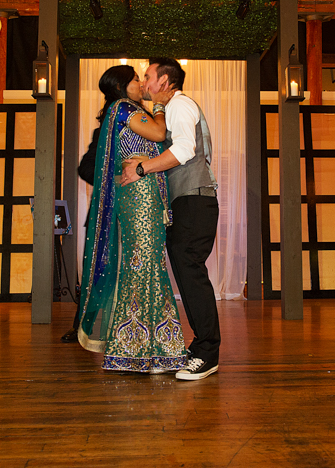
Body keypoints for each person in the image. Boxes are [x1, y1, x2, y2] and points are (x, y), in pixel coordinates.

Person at [77, 65, 186, 374]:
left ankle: (146, 347)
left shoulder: (121, 111)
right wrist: (161, 107)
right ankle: (140, 346)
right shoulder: (125, 108)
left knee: (145, 263)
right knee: (144, 264)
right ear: (123, 85)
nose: (141, 83)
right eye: (137, 79)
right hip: (140, 193)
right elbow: (159, 133)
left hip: (143, 192)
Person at [120, 58, 221, 381]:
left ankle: (208, 352)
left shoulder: (179, 105)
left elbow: (184, 150)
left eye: (148, 76)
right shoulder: (172, 108)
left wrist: (141, 169)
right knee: (188, 272)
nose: (145, 83)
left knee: (191, 273)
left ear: (164, 81)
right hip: (189, 201)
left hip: (196, 200)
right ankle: (201, 346)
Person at [60, 125, 100, 344]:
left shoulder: (149, 126)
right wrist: (115, 178)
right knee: (93, 272)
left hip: (136, 211)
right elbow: (85, 168)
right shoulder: (103, 130)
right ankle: (81, 327)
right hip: (104, 211)